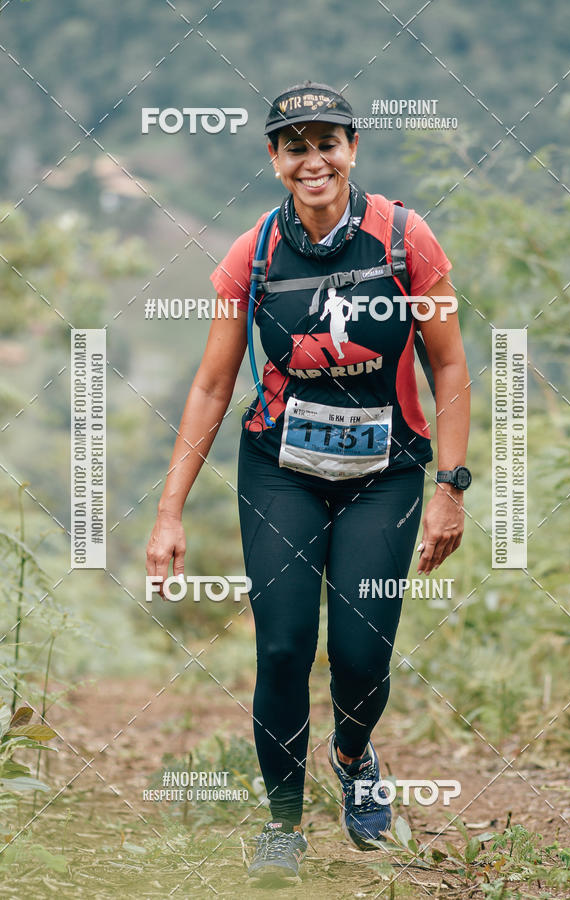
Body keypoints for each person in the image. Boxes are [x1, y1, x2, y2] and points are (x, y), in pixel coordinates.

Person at [146, 80, 471, 886]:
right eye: (296, 145)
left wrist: (450, 487)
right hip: (280, 471)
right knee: (285, 647)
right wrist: (168, 512)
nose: (313, 158)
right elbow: (213, 387)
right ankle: (283, 827)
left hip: (385, 477)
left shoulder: (405, 239)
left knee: (361, 656)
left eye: (328, 142)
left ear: (353, 149)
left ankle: (354, 757)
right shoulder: (252, 254)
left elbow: (451, 366)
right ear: (275, 158)